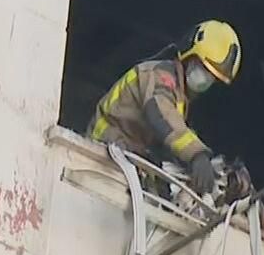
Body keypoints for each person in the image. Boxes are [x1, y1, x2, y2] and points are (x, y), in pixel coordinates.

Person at [89, 21, 242, 199]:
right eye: (204, 68)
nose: (206, 79)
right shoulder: (160, 76)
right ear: (189, 55)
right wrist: (197, 154)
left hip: (125, 158)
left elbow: (167, 139)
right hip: (103, 152)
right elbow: (161, 114)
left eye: (212, 78)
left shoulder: (180, 98)